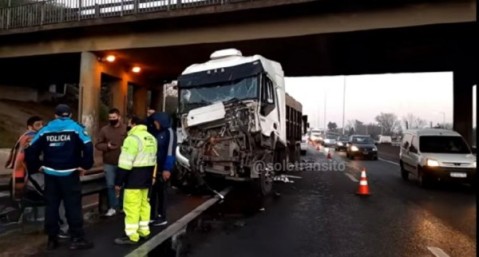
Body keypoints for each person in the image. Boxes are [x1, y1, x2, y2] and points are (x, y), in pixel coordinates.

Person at [25, 104, 94, 250]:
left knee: (51, 207)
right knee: (73, 206)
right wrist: (85, 165)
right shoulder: (76, 128)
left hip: (50, 174)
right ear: (69, 115)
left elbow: (30, 149)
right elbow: (88, 146)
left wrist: (37, 165)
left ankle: (52, 239)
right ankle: (77, 238)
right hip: (70, 173)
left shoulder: (45, 129)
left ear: (55, 115)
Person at [114, 116, 157, 245]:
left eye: (129, 123)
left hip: (133, 179)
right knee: (144, 205)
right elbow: (154, 160)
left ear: (134, 124)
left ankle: (132, 235)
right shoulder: (152, 138)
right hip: (147, 179)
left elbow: (125, 163)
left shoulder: (132, 139)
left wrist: (118, 182)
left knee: (131, 207)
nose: (128, 126)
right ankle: (144, 231)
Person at [95, 108, 127, 217]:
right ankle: (113, 207)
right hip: (109, 162)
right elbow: (98, 144)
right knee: (110, 185)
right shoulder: (104, 130)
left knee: (124, 185)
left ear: (119, 117)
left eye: (114, 117)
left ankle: (122, 206)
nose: (112, 119)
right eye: (110, 118)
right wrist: (106, 146)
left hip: (124, 162)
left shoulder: (126, 129)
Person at [5, 116, 44, 200]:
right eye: (38, 125)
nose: (41, 127)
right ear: (30, 127)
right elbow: (31, 156)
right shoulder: (31, 137)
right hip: (29, 170)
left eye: (42, 124)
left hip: (23, 168)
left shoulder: (24, 136)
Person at [149, 112, 176, 226]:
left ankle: (162, 216)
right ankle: (152, 215)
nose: (155, 123)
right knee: (153, 192)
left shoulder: (169, 132)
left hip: (163, 167)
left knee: (162, 193)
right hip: (155, 167)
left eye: (156, 121)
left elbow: (170, 152)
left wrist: (167, 169)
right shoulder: (157, 132)